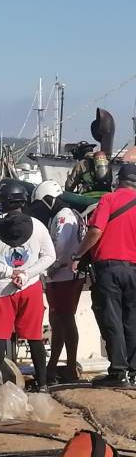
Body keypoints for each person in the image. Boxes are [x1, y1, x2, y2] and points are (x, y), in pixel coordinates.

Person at [0, 180, 56, 392]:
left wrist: (7, 272)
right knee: (34, 337)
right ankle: (42, 384)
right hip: (30, 287)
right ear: (24, 201)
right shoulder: (38, 226)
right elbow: (50, 256)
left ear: (1, 201)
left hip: (0, 288)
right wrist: (26, 273)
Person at [72, 163, 136, 387]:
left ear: (119, 181)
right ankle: (134, 372)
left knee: (112, 319)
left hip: (110, 268)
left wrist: (78, 254)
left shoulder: (109, 200)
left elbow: (96, 231)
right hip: (134, 269)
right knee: (132, 319)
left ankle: (118, 373)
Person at [29, 180, 85, 383]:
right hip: (61, 276)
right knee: (58, 321)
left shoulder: (63, 217)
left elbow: (58, 247)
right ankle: (53, 364)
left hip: (63, 276)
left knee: (65, 319)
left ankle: (69, 366)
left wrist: (45, 266)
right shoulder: (67, 215)